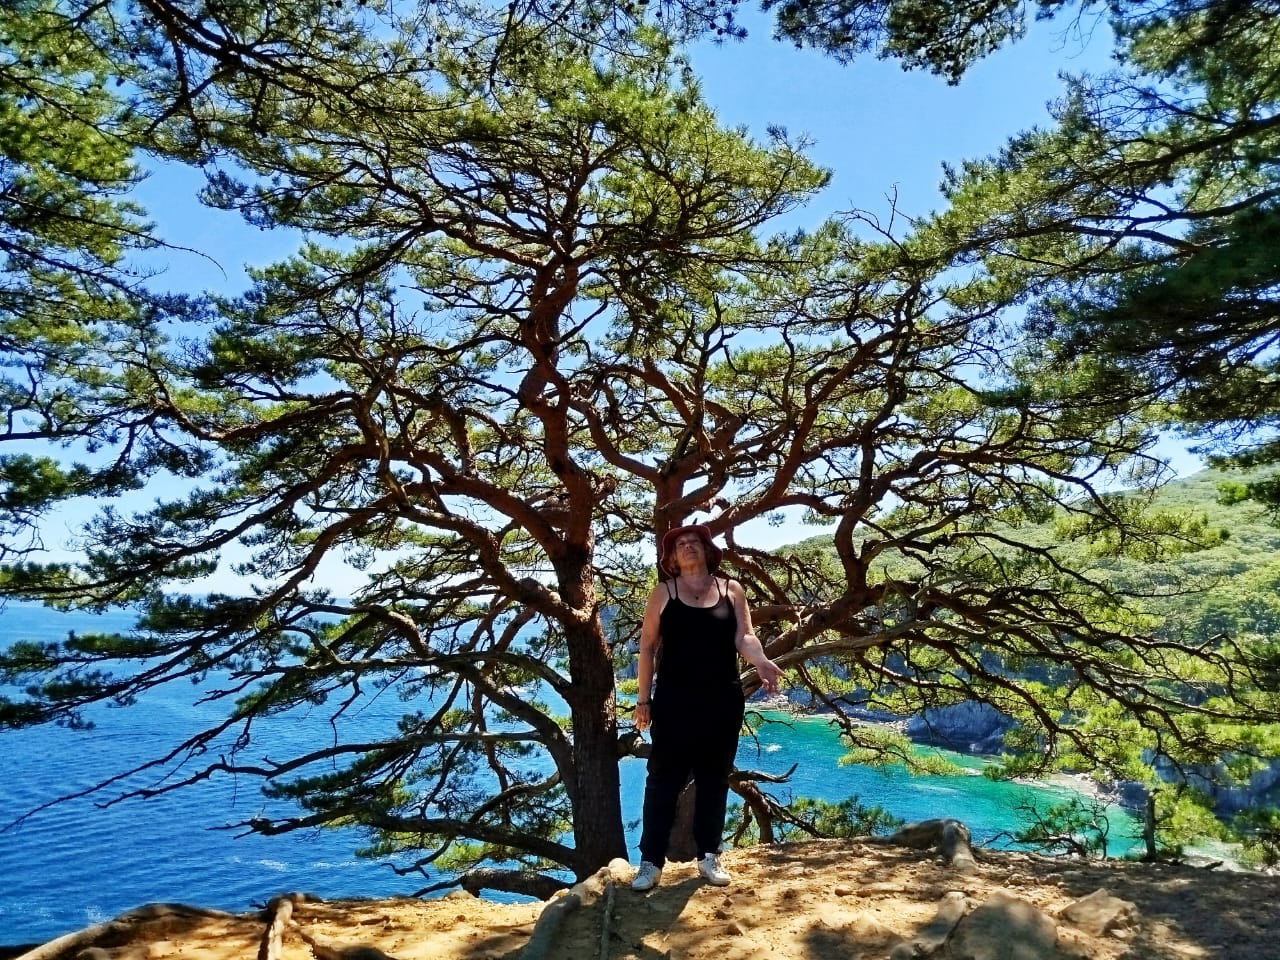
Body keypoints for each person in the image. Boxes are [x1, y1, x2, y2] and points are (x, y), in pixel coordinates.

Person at [631, 523, 785, 891]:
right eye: (681, 544)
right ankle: (650, 863)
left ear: (707, 550)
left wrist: (761, 661)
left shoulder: (731, 589)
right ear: (672, 558)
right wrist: (643, 700)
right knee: (663, 781)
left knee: (714, 780)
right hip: (674, 701)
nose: (688, 546)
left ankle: (709, 856)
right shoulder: (663, 593)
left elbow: (744, 637)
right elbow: (647, 647)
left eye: (695, 542)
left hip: (721, 700)